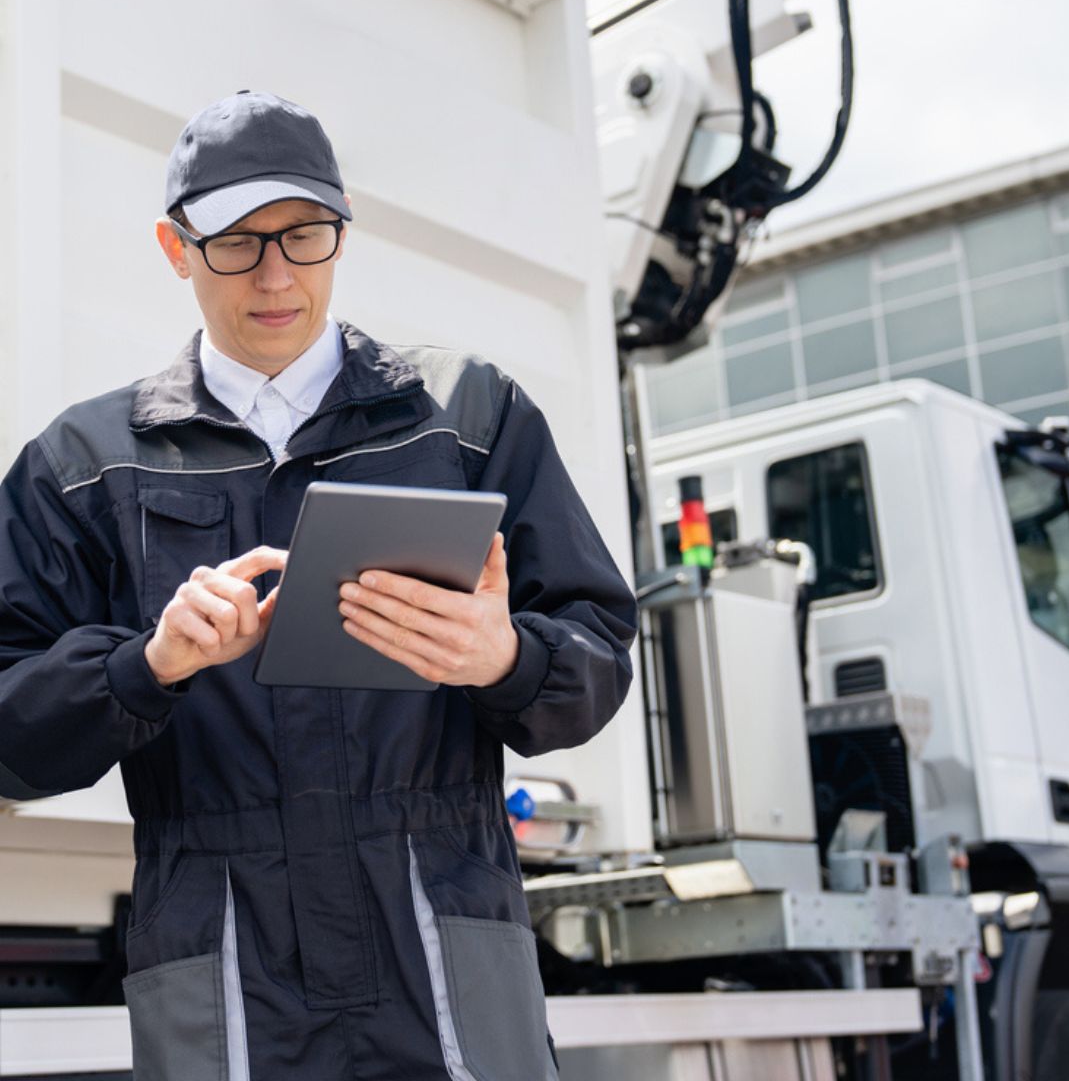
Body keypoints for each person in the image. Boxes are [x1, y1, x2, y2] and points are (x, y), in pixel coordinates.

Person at [0, 91, 637, 1080]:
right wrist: (145, 666)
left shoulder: (464, 420)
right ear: (176, 248)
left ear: (342, 234)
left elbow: (596, 653)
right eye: (235, 243)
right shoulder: (84, 466)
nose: (275, 274)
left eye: (304, 236)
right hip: (223, 958)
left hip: (437, 944)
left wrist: (506, 657)